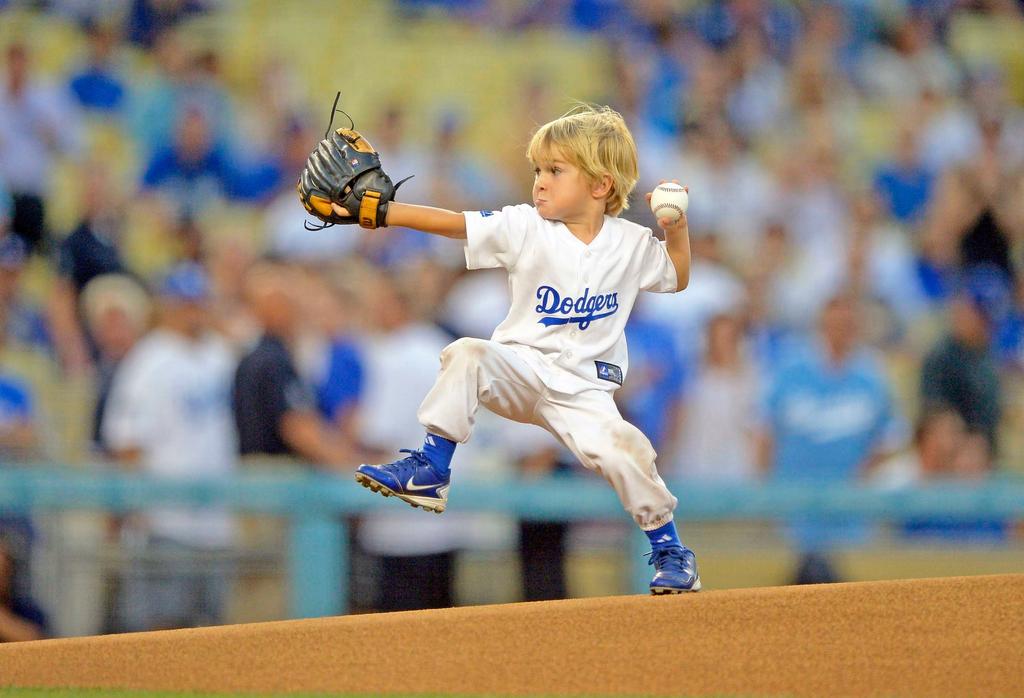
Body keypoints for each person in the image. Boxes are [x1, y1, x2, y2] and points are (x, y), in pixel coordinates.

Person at [343, 104, 700, 594]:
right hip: (520, 370)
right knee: (467, 352)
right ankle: (431, 467)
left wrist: (675, 229)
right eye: (538, 170)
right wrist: (381, 210)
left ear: (600, 186)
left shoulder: (632, 242)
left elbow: (677, 277)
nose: (540, 181)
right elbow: (453, 223)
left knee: (626, 450)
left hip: (584, 391)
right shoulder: (525, 225)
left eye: (556, 170)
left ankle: (669, 549)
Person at [101, 262, 238, 631]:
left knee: (211, 632)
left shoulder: (220, 353)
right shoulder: (148, 360)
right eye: (184, 302)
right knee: (159, 631)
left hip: (215, 522)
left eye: (198, 301)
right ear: (167, 305)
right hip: (165, 522)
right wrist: (137, 509)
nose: (193, 310)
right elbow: (126, 444)